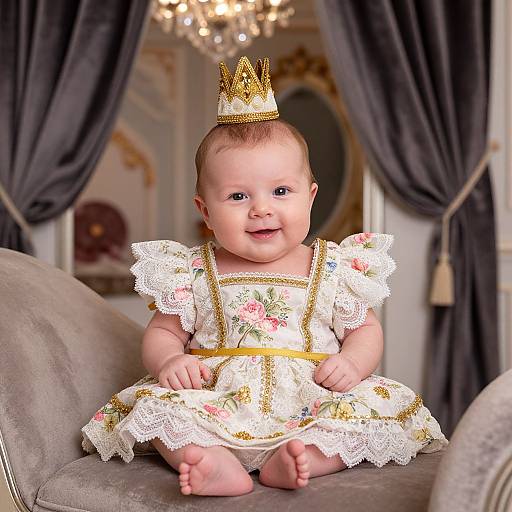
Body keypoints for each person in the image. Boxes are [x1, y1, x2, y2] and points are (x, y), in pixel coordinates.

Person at [82, 56, 447, 496]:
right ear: (206, 211)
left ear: (310, 198)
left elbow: (365, 330)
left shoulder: (332, 267)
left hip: (308, 397)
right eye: (237, 196)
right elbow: (163, 331)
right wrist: (169, 361)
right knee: (163, 413)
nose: (261, 208)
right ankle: (213, 464)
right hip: (218, 398)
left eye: (280, 191)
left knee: (359, 419)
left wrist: (352, 363)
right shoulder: (192, 270)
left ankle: (301, 458)